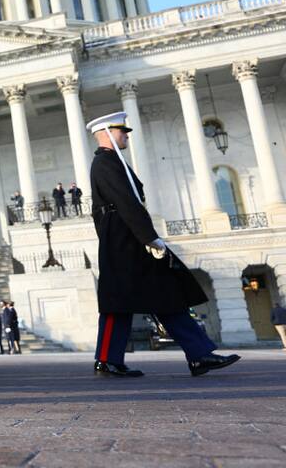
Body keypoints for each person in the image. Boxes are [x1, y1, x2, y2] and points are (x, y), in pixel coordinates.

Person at [87, 111, 240, 378]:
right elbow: (125, 203)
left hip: (130, 239)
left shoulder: (114, 162)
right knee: (120, 301)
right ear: (108, 133)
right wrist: (148, 237)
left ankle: (198, 353)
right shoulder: (105, 164)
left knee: (166, 295)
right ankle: (108, 360)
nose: (126, 135)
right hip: (124, 242)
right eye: (122, 131)